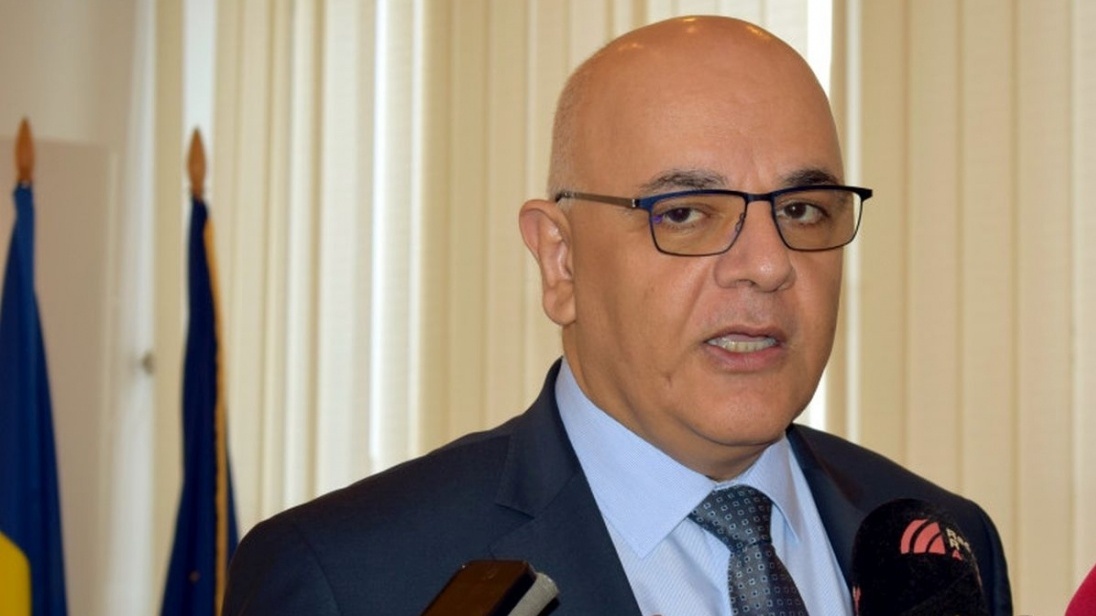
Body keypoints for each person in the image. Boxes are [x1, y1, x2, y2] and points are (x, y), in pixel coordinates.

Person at [222, 15, 1012, 615]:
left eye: (802, 210)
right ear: (560, 260)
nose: (769, 265)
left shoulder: (942, 546)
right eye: (687, 214)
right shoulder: (347, 577)